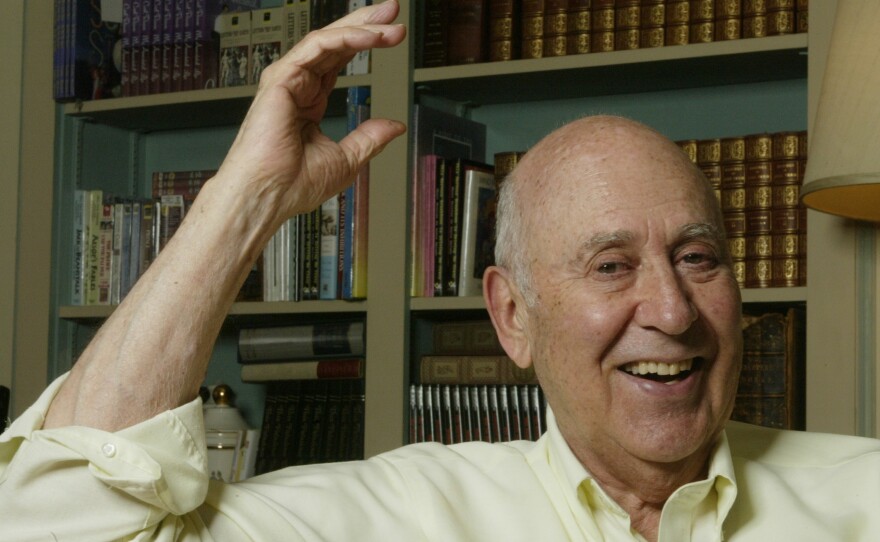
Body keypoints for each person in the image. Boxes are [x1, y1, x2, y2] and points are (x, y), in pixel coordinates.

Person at [2, 2, 880, 540]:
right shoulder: (401, 517)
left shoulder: (861, 493)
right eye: (612, 265)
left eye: (699, 258)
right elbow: (54, 524)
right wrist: (246, 202)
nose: (673, 308)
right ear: (512, 318)